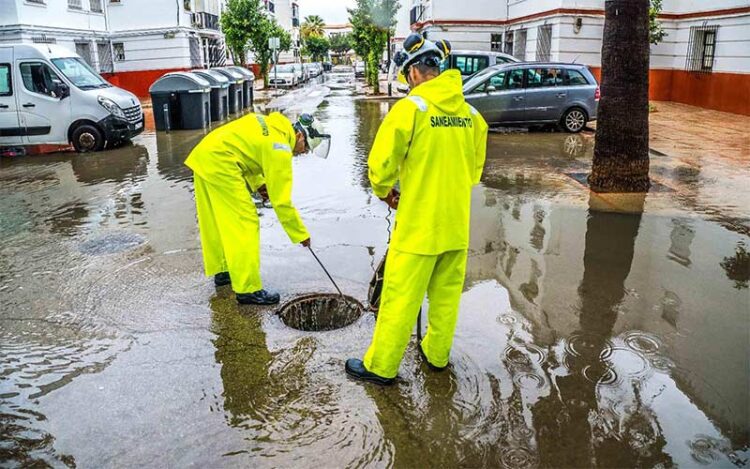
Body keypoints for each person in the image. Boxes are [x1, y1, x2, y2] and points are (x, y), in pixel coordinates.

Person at [345, 34, 489, 385]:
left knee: (399, 299)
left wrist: (385, 192)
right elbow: (474, 172)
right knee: (445, 299)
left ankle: (381, 367)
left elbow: (380, 168)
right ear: (438, 69)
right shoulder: (471, 116)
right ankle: (436, 356)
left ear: (412, 73)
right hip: (455, 227)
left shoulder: (410, 109)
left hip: (418, 229)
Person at [185, 112, 330, 305]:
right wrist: (300, 233)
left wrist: (260, 184)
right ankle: (248, 290)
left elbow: (247, 152)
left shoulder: (271, 125)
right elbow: (282, 202)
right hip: (221, 162)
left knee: (216, 220)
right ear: (300, 136)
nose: (302, 153)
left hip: (205, 155)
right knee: (244, 222)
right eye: (305, 149)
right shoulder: (280, 147)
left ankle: (223, 271)